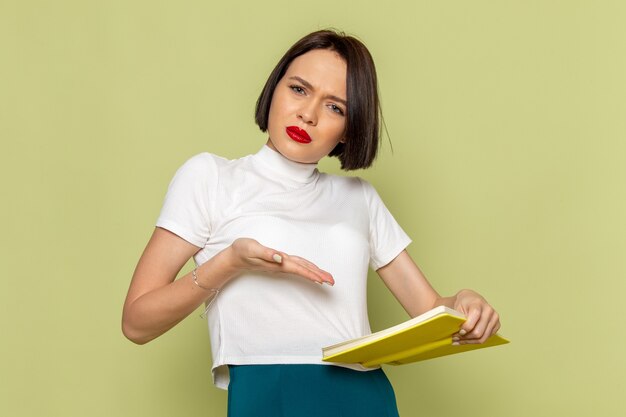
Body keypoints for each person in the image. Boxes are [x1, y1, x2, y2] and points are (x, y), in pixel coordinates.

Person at [122, 29, 501, 417]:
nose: (309, 114)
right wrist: (229, 263)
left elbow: (430, 308)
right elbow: (136, 322)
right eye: (299, 89)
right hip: (269, 392)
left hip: (363, 394)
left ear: (349, 130)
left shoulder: (360, 197)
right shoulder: (210, 177)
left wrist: (464, 304)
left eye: (335, 107)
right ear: (274, 88)